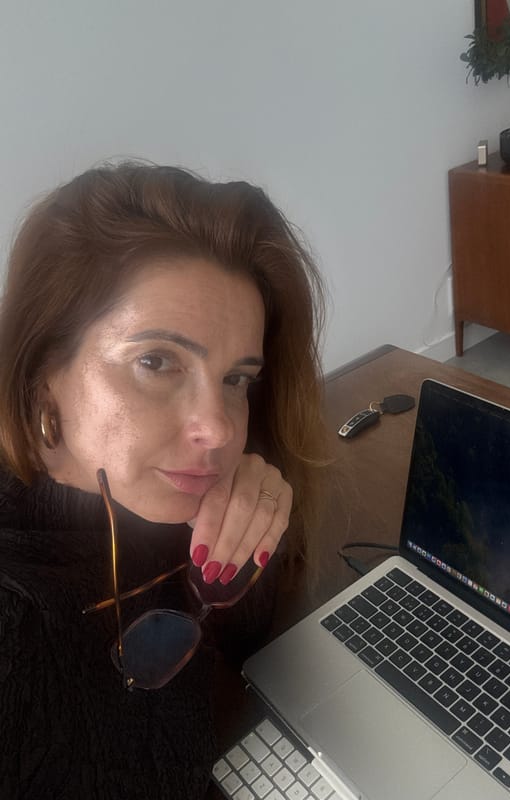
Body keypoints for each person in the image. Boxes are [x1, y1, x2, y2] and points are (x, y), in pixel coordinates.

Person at [0, 162, 328, 798]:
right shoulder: (16, 634)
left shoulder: (155, 501)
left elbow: (241, 638)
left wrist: (240, 538)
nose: (219, 429)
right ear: (44, 372)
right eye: (156, 361)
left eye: (238, 379)